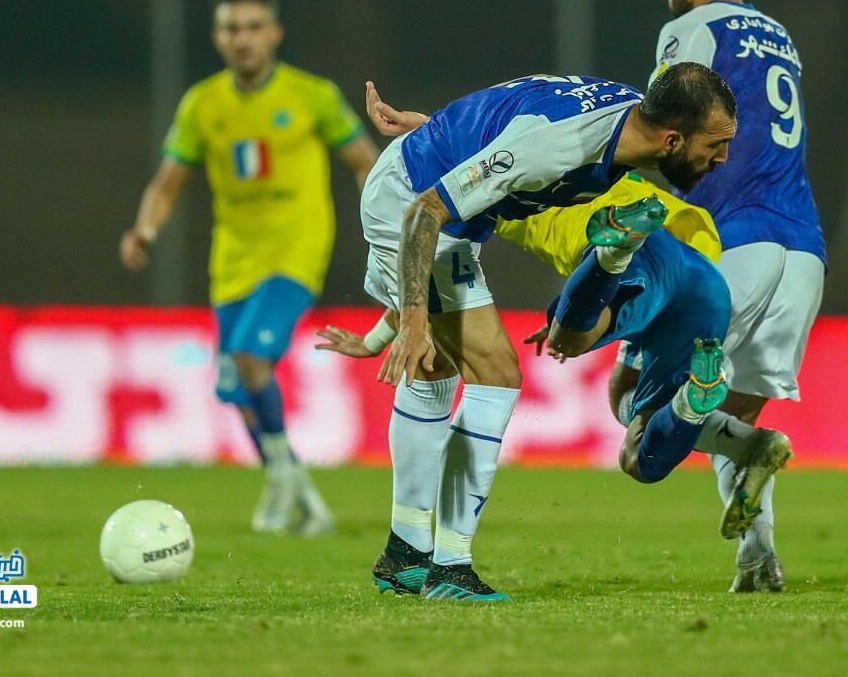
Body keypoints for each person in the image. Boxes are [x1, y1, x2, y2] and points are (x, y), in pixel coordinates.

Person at [355, 63, 736, 600]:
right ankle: (449, 568)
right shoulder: (559, 144)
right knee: (496, 374)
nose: (721, 158)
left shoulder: (628, 117)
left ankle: (406, 552)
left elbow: (512, 111)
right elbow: (425, 211)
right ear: (672, 138)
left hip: (434, 199)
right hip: (412, 206)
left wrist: (447, 132)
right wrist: (413, 319)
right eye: (715, 145)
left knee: (438, 370)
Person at [318, 177, 792, 594]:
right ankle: (701, 412)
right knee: (630, 418)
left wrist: (376, 338)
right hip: (700, 276)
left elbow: (431, 279)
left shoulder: (487, 189)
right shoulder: (585, 151)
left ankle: (611, 257)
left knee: (569, 337)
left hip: (629, 258)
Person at [120, 0, 378, 535]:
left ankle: (280, 480)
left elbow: (364, 161)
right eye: (233, 29)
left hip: (296, 251)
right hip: (232, 260)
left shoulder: (312, 95)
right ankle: (304, 500)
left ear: (275, 34)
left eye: (254, 28)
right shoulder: (202, 105)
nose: (244, 39)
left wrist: (376, 209)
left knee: (251, 359)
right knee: (237, 389)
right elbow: (167, 183)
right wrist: (145, 227)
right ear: (217, 37)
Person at [638, 0, 826, 591]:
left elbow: (665, 126)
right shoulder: (780, 36)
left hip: (733, 241)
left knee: (632, 394)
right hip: (802, 248)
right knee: (733, 408)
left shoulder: (687, 30)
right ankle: (757, 557)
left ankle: (754, 455)